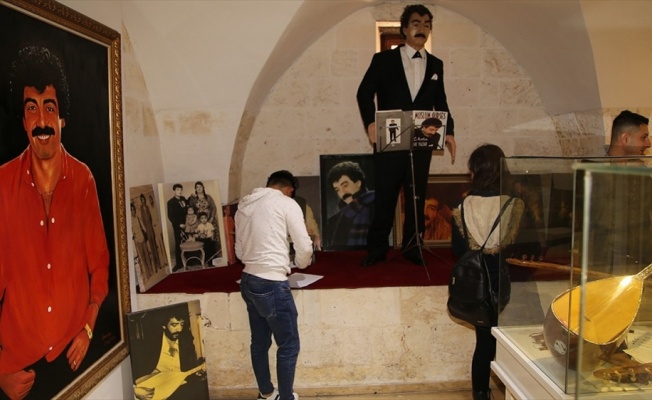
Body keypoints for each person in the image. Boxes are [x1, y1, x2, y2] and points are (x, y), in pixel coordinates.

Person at [0, 45, 109, 399]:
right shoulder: (2, 184)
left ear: (63, 118)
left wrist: (88, 328)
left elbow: (99, 266)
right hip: (18, 367)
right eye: (32, 108)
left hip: (71, 355)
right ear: (23, 120)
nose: (42, 121)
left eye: (49, 107)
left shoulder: (83, 180)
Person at [357, 4, 457, 266]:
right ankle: (377, 249)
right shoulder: (383, 60)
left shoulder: (436, 64)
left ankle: (413, 246)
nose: (421, 28)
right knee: (386, 195)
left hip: (422, 142)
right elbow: (364, 93)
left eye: (426, 24)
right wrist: (370, 122)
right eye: (416, 23)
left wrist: (449, 132)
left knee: (417, 195)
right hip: (390, 138)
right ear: (404, 29)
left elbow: (441, 102)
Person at [450, 144, 524, 400]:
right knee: (515, 343)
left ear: (476, 171)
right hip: (506, 284)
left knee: (484, 344)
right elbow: (525, 247)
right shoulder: (514, 204)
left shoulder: (463, 205)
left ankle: (480, 394)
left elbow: (458, 249)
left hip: (479, 287)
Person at [236, 170, 313, 400]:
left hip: (248, 279)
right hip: (272, 283)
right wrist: (300, 263)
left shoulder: (243, 206)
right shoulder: (286, 203)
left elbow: (239, 251)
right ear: (289, 189)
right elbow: (304, 246)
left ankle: (267, 393)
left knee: (259, 343)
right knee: (289, 344)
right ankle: (286, 398)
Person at [131, 304, 208, 400]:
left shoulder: (186, 341)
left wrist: (197, 372)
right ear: (164, 325)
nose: (179, 329)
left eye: (182, 324)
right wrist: (135, 390)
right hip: (155, 389)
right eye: (174, 325)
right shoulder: (150, 343)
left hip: (181, 388)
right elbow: (133, 370)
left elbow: (189, 369)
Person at [325, 161, 375, 248]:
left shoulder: (378, 206)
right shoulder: (333, 222)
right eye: (337, 189)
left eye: (345, 185)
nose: (342, 192)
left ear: (358, 183)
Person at [167, 184, 187, 272]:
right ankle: (179, 264)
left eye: (181, 189)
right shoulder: (170, 202)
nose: (180, 191)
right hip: (178, 226)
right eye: (178, 189)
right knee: (179, 243)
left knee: (188, 241)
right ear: (174, 191)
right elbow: (170, 216)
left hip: (187, 225)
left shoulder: (183, 199)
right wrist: (179, 224)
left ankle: (189, 261)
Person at [132, 202, 154, 279]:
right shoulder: (130, 221)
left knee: (147, 255)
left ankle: (151, 271)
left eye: (133, 209)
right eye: (131, 210)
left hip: (142, 238)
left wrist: (145, 233)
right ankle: (147, 273)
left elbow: (143, 227)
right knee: (143, 258)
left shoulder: (137, 218)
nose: (133, 211)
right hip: (138, 241)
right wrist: (134, 236)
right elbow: (131, 232)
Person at [139, 193, 161, 269]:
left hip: (151, 228)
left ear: (145, 200)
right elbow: (142, 220)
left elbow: (151, 218)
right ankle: (155, 266)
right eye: (142, 200)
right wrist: (145, 230)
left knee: (154, 245)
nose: (143, 201)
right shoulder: (141, 209)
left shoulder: (147, 207)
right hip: (147, 230)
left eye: (144, 199)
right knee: (151, 247)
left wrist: (152, 227)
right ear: (141, 201)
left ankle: (158, 263)